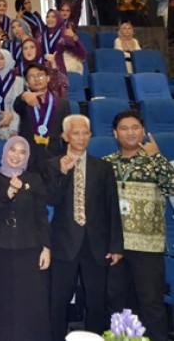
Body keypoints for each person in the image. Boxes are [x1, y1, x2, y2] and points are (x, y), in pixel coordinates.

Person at [45, 115, 123, 341]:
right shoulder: (52, 164)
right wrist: (62, 173)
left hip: (96, 245)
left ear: (90, 135)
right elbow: (51, 199)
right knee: (58, 301)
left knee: (96, 302)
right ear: (65, 136)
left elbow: (112, 207)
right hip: (64, 243)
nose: (81, 138)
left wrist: (116, 246)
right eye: (75, 133)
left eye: (85, 133)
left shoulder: (103, 167)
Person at [103, 111, 174, 341]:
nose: (131, 132)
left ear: (143, 131)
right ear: (115, 133)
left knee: (151, 304)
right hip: (116, 246)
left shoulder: (155, 161)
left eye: (135, 128)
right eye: (124, 128)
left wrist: (157, 157)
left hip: (148, 246)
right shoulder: (106, 164)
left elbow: (172, 187)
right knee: (118, 304)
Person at [0, 136, 51, 341]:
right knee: (3, 300)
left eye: (22, 152)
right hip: (0, 248)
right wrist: (9, 193)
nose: (16, 156)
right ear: (4, 152)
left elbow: (41, 216)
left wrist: (46, 247)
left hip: (29, 248)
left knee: (29, 302)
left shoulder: (34, 179)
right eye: (12, 150)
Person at [13, 63, 71, 171]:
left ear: (48, 78)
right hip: (29, 159)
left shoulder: (63, 104)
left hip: (54, 158)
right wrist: (23, 96)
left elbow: (66, 133)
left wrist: (65, 157)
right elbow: (16, 106)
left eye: (40, 75)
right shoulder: (24, 102)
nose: (36, 79)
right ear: (27, 82)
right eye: (31, 77)